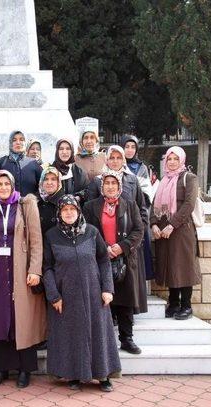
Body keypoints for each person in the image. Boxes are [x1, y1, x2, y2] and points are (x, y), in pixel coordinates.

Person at [43, 194, 121, 391]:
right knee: (71, 335)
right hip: (66, 296)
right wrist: (54, 295)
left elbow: (104, 260)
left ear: (78, 211)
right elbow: (47, 267)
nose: (69, 213)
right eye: (64, 209)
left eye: (72, 209)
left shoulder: (92, 232)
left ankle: (103, 376)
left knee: (98, 333)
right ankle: (73, 375)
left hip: (94, 293)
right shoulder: (52, 235)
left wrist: (107, 289)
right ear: (59, 213)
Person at [0, 170, 45, 389]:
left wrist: (35, 269)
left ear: (13, 185)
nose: (4, 187)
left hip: (21, 270)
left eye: (7, 183)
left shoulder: (27, 205)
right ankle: (1, 368)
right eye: (0, 184)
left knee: (21, 319)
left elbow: (36, 240)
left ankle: (25, 369)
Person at [83, 170, 145, 355]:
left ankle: (127, 339)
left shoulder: (130, 205)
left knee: (125, 301)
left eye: (114, 183)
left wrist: (122, 247)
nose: (110, 186)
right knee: (103, 301)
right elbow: (86, 231)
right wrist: (104, 249)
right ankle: (104, 342)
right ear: (102, 186)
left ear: (119, 186)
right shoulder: (90, 206)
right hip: (100, 260)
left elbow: (138, 230)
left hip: (124, 260)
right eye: (107, 183)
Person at [89, 145, 149, 314]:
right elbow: (93, 216)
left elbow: (141, 210)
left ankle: (126, 335)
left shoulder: (132, 180)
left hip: (126, 244)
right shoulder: (97, 181)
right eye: (111, 158)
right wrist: (103, 247)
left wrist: (129, 243)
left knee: (127, 292)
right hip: (103, 247)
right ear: (106, 160)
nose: (115, 161)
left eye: (118, 158)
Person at [151, 146, 201, 320]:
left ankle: (186, 306)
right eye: (169, 159)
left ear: (182, 160)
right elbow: (153, 206)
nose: (172, 162)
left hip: (181, 230)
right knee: (170, 265)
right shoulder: (163, 181)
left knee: (184, 267)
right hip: (164, 232)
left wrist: (172, 224)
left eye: (175, 159)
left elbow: (189, 205)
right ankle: (173, 304)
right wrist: (153, 224)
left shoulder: (190, 178)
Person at [122, 134, 155, 281]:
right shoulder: (115, 163)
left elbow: (147, 192)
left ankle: (141, 278)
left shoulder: (141, 167)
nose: (129, 150)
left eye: (132, 147)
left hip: (136, 211)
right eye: (127, 146)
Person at [0, 130, 43, 196]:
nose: (18, 142)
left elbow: (43, 187)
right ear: (10, 143)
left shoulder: (33, 164)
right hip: (5, 206)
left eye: (21, 139)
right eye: (14, 140)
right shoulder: (1, 163)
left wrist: (33, 200)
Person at [37, 167, 65, 235]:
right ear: (41, 182)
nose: (49, 183)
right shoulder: (35, 202)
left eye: (53, 179)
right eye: (46, 179)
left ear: (58, 182)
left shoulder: (64, 202)